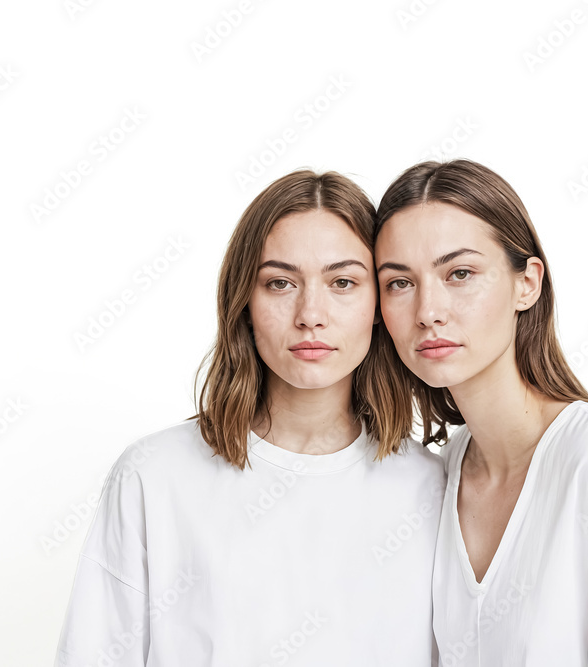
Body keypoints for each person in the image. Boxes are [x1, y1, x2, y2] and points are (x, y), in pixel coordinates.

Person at [54, 169, 446, 666]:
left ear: (379, 302)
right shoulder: (155, 476)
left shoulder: (432, 487)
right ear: (245, 300)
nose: (310, 313)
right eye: (280, 283)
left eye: (342, 282)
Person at [374, 159, 588, 666]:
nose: (428, 310)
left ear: (526, 283)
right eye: (400, 282)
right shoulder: (440, 474)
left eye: (460, 273)